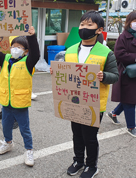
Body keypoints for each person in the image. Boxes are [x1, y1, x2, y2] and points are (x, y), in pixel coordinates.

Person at [50, 11, 118, 177]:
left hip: (94, 103)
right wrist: (56, 72)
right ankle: (78, 160)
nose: (84, 28)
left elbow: (115, 76)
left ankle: (91, 166)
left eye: (89, 25)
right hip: (73, 100)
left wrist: (104, 76)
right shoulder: (71, 50)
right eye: (82, 24)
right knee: (77, 134)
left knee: (89, 137)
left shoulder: (106, 52)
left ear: (98, 30)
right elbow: (66, 73)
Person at [0, 26, 40, 166]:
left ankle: (29, 150)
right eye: (13, 46)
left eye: (19, 47)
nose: (15, 49)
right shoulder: (5, 59)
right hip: (6, 101)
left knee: (24, 128)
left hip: (20, 102)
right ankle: (8, 143)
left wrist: (32, 37)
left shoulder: (28, 62)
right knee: (5, 125)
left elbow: (36, 54)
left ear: (26, 51)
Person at [107, 11, 136, 137]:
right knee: (130, 100)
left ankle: (114, 113)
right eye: (135, 21)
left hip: (134, 73)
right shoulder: (123, 37)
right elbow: (119, 54)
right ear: (129, 22)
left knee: (130, 98)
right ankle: (131, 127)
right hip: (127, 73)